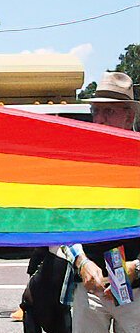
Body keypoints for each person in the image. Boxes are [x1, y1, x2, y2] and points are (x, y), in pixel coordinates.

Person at [63, 72, 140, 333]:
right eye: (96, 111)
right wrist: (81, 262)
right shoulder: (82, 164)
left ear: (129, 115)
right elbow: (61, 221)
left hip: (137, 293)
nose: (99, 119)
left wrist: (137, 268)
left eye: (109, 111)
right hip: (90, 288)